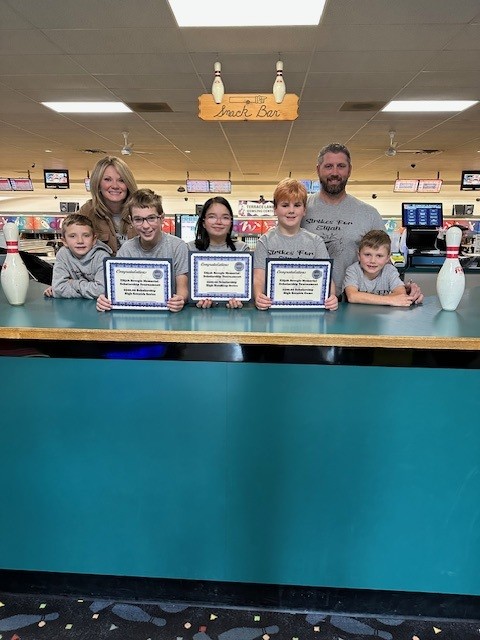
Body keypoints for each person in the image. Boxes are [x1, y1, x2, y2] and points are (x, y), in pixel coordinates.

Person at [302, 142, 424, 303]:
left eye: (341, 166)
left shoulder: (369, 214)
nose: (335, 172)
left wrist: (404, 287)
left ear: (350, 170)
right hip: (305, 296)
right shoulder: (300, 210)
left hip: (352, 302)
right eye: (328, 166)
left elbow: (384, 260)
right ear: (318, 169)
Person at [96, 189, 188, 313]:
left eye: (151, 218)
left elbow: (183, 289)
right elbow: (116, 290)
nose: (145, 226)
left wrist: (180, 299)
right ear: (131, 221)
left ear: (162, 218)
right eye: (138, 219)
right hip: (134, 314)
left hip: (168, 313)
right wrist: (104, 300)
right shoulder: (126, 249)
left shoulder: (177, 246)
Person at [253, 178, 338, 311]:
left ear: (304, 210)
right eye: (285, 205)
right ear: (275, 209)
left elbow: (328, 279)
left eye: (297, 205)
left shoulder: (316, 241)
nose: (291, 210)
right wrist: (259, 296)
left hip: (309, 310)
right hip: (274, 309)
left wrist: (332, 296)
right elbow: (259, 278)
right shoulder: (265, 241)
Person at [188, 196, 249, 309]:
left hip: (233, 316)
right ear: (203, 222)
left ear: (231, 222)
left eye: (225, 218)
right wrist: (194, 301)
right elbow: (186, 290)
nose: (219, 222)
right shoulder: (190, 249)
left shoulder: (242, 249)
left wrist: (241, 302)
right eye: (212, 217)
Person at [78, 155, 138, 254]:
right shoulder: (87, 212)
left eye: (121, 180)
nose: (115, 186)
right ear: (97, 184)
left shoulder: (140, 211)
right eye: (107, 179)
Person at [44, 213, 111, 299]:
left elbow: (102, 291)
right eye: (72, 236)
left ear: (94, 240)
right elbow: (58, 289)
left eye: (86, 235)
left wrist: (72, 283)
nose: (80, 241)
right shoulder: (63, 254)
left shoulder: (102, 257)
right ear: (64, 241)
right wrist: (89, 292)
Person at [343, 230, 415, 306]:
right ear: (359, 255)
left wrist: (364, 298)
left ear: (388, 258)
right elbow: (352, 296)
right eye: (367, 255)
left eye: (379, 256)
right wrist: (390, 300)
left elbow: (401, 294)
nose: (372, 261)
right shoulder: (353, 270)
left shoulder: (390, 270)